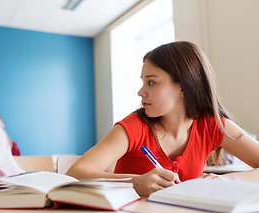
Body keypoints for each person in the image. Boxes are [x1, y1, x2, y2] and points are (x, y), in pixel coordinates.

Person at [66, 41, 259, 197]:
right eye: (143, 82)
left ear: (184, 87)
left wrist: (225, 180)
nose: (141, 92)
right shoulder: (133, 127)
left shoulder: (213, 125)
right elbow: (75, 173)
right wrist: (135, 183)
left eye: (151, 82)